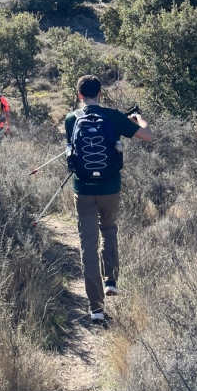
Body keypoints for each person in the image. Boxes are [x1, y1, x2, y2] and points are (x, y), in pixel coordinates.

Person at [65, 74, 152, 325]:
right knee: (110, 230)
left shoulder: (72, 119)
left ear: (80, 95)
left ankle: (96, 309)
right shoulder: (113, 116)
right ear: (100, 93)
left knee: (88, 247)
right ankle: (111, 280)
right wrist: (136, 119)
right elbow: (147, 135)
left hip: (83, 190)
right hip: (110, 189)